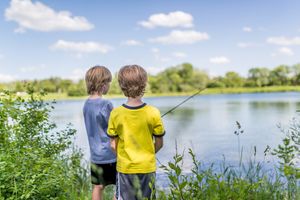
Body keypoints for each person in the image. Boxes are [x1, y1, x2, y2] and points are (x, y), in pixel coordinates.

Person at [107, 64, 165, 200]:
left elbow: (112, 145)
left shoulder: (115, 113)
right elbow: (160, 143)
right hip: (147, 167)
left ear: (122, 87)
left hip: (125, 168)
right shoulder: (153, 112)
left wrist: (124, 157)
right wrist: (148, 154)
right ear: (144, 85)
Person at [83, 66, 117, 200]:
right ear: (102, 84)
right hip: (111, 154)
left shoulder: (86, 104)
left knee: (98, 186)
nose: (109, 85)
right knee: (120, 186)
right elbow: (114, 128)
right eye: (108, 82)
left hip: (95, 155)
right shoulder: (106, 104)